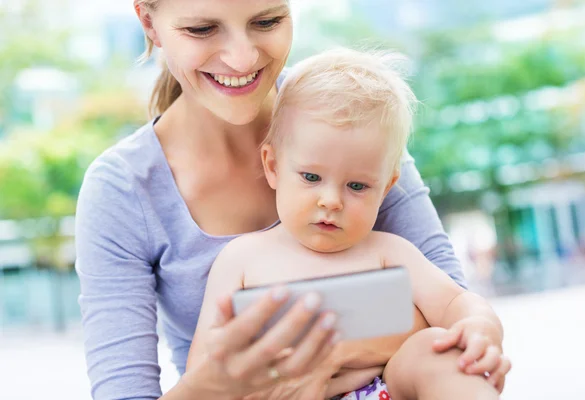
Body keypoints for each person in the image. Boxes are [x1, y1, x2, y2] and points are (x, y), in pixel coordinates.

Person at [74, 1, 486, 399]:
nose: (241, 58)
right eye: (202, 29)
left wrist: (314, 358)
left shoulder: (348, 115)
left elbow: (455, 326)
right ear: (148, 22)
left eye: (267, 21)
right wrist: (227, 384)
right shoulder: (123, 189)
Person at [187, 48, 510, 400]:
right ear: (273, 166)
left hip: (382, 391)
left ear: (386, 187)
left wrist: (478, 329)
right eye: (311, 177)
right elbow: (203, 372)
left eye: (357, 186)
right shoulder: (241, 260)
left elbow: (455, 304)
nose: (331, 201)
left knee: (440, 350)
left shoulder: (388, 252)